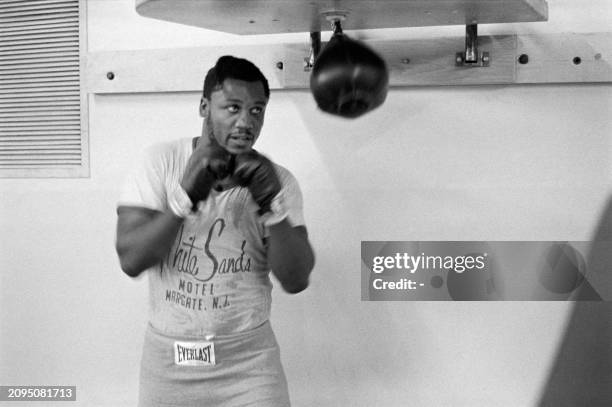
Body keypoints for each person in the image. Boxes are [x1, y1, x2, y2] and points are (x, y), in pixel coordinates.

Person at [115, 55, 315, 407]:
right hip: (169, 363)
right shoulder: (160, 162)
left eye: (257, 110)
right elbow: (131, 259)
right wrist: (183, 198)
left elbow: (296, 279)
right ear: (205, 106)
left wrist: (272, 207)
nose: (245, 122)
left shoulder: (278, 180)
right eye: (233, 107)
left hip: (250, 365)